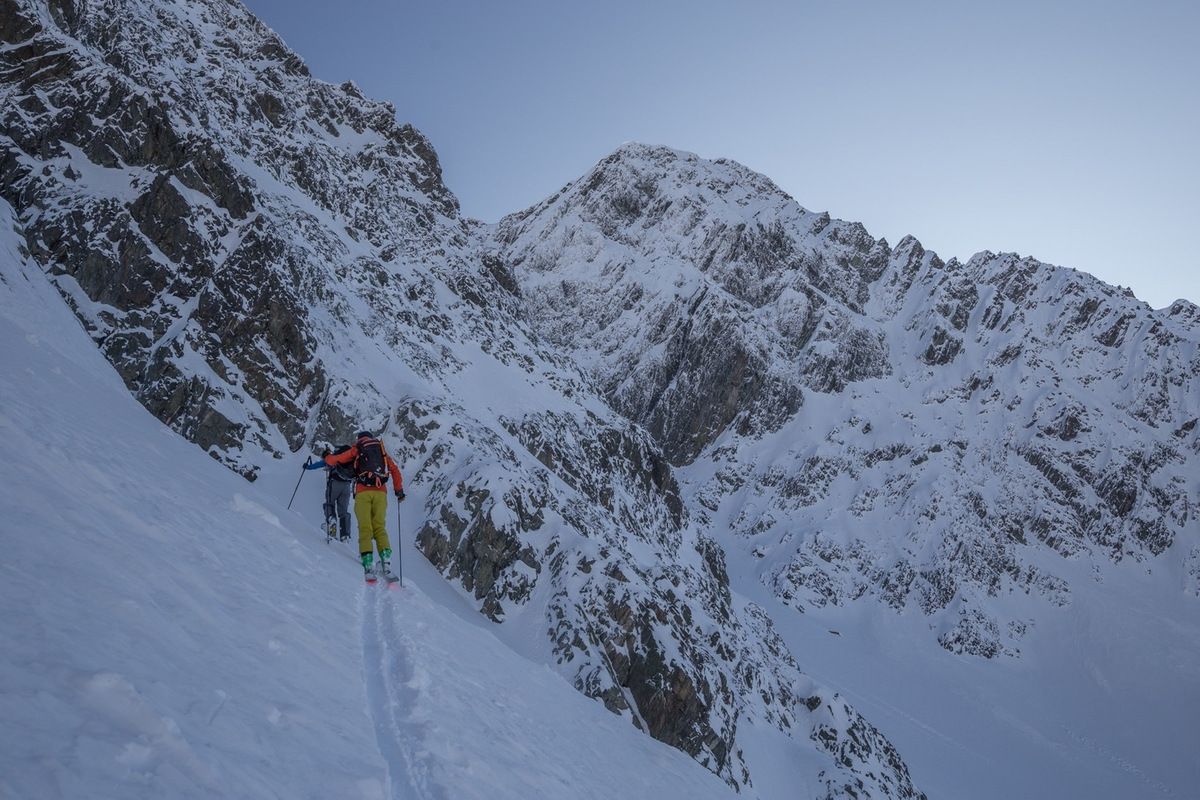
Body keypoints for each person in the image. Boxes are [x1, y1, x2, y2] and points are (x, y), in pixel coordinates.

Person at [322, 431, 405, 578]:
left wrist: (327, 457)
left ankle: (367, 561)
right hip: (381, 493)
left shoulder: (358, 448)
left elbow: (337, 459)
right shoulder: (381, 449)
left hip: (363, 493)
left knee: (365, 526)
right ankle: (386, 560)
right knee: (379, 526)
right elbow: (394, 470)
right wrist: (399, 491)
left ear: (360, 439)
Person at [304, 446, 354, 542]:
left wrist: (308, 467)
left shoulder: (333, 457)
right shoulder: (349, 457)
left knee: (329, 503)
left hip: (334, 483)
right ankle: (345, 535)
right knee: (343, 511)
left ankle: (331, 521)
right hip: (347, 486)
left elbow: (320, 464)